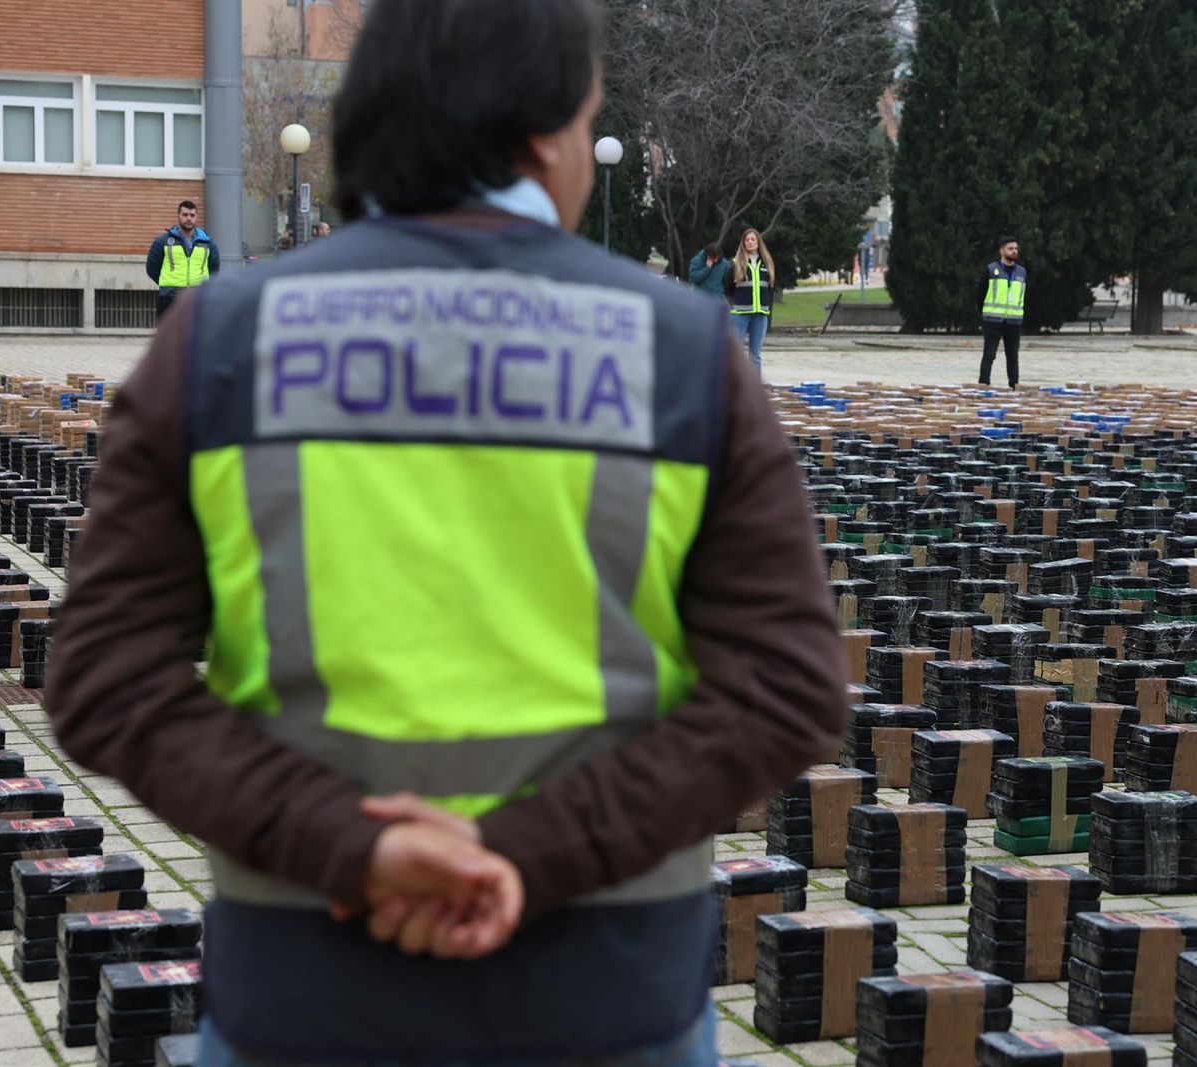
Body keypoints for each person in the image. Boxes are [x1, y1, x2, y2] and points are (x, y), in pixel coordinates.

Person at [45, 2, 846, 1065]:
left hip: (312, 981)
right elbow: (786, 687)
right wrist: (525, 852)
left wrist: (358, 846)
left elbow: (105, 677)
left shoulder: (222, 342)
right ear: (550, 132)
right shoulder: (681, 349)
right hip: (605, 982)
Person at [145, 200, 220, 318]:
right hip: (169, 299)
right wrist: (168, 285)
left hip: (198, 298)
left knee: (196, 336)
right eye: (185, 215)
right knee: (169, 336)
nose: (189, 218)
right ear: (178, 216)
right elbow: (152, 268)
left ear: (196, 217)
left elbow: (214, 269)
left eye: (192, 215)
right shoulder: (162, 242)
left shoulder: (208, 243)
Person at [975, 236, 1027, 388]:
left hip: (1014, 321)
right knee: (989, 355)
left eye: (1016, 248)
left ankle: (1014, 386)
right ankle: (983, 385)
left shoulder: (1022, 272)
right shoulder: (991, 270)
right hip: (993, 320)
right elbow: (980, 294)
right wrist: (983, 313)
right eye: (1010, 248)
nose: (1014, 251)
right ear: (1002, 250)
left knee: (1013, 356)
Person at [723, 228, 774, 370]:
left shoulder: (767, 263)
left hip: (760, 316)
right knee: (736, 354)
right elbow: (728, 289)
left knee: (755, 355)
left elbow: (769, 288)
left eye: (753, 239)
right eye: (747, 240)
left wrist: (766, 307)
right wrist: (733, 308)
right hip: (740, 316)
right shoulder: (735, 263)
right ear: (743, 243)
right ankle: (734, 389)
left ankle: (754, 389)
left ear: (758, 242)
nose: (750, 242)